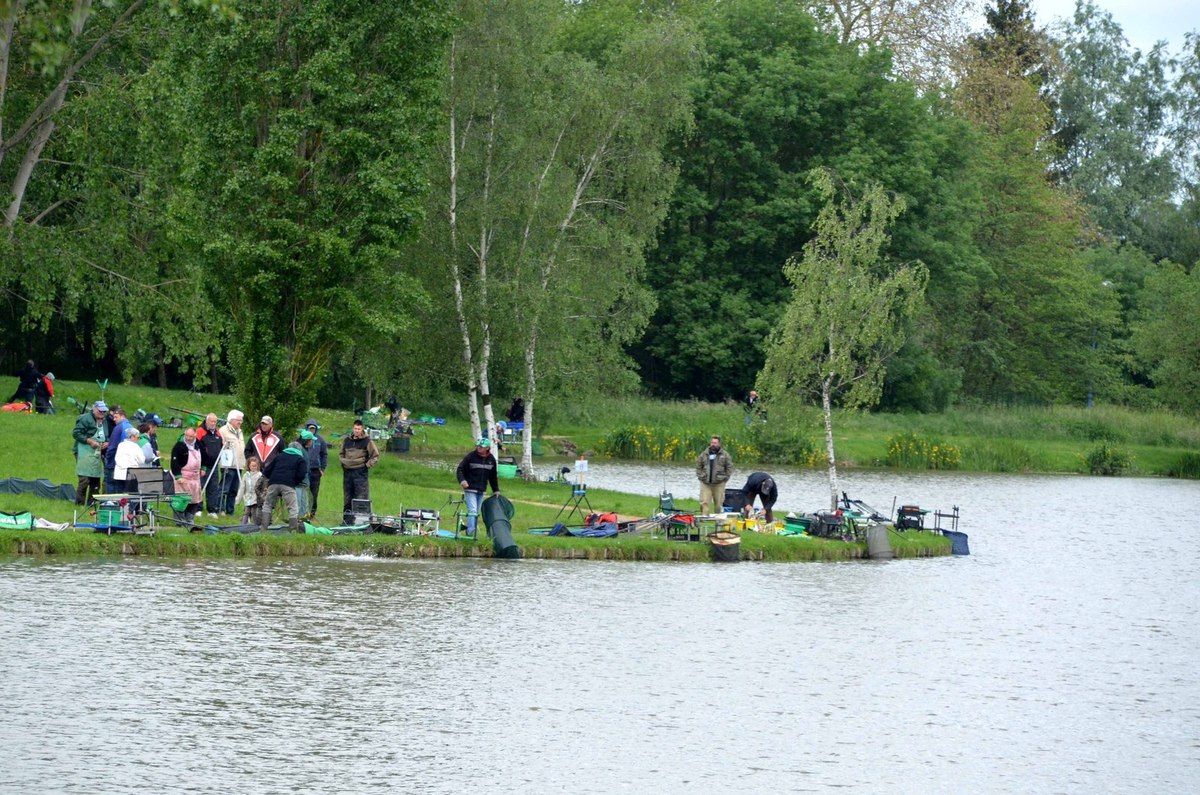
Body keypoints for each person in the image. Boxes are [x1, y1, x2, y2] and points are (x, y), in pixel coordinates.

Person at [260, 440, 308, 532]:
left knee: (268, 505)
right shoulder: (300, 459)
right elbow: (302, 474)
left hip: (273, 483)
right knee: (293, 507)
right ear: (299, 449)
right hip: (288, 484)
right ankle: (293, 530)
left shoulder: (279, 456)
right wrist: (295, 482)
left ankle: (263, 529)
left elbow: (266, 471)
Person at [455, 437, 500, 536]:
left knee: (476, 512)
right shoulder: (470, 456)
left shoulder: (491, 459)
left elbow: (493, 476)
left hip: (481, 489)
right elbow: (460, 469)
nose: (479, 448)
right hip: (470, 488)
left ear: (487, 448)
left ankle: (469, 530)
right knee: (473, 510)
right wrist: (462, 480)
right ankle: (470, 533)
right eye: (478, 446)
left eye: (481, 447)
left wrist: (496, 490)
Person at [339, 419, 379, 523]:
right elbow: (341, 453)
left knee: (361, 497)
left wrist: (367, 466)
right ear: (353, 428)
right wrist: (343, 463)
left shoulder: (367, 441)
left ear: (362, 429)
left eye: (359, 429)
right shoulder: (346, 440)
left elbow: (375, 455)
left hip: (360, 473)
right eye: (355, 428)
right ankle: (347, 521)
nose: (357, 430)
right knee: (348, 497)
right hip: (347, 473)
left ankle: (361, 521)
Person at [72, 400, 108, 505]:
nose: (102, 413)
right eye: (100, 411)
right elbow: (76, 433)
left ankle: (92, 504)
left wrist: (107, 442)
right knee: (84, 478)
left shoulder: (104, 421)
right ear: (94, 409)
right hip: (83, 451)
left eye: (103, 411)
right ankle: (79, 503)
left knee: (95, 479)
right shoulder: (85, 419)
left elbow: (107, 435)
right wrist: (89, 441)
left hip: (97, 453)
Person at [171, 427, 203, 524]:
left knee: (194, 499)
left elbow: (205, 456)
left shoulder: (198, 445)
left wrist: (203, 468)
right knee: (181, 498)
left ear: (195, 435)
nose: (188, 438)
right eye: (187, 436)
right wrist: (178, 476)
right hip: (183, 476)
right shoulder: (179, 446)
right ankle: (179, 520)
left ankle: (189, 519)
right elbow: (174, 462)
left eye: (191, 436)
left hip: (195, 477)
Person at [217, 410, 246, 516]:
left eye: (241, 420)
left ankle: (230, 510)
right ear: (232, 420)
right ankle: (220, 508)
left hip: (239, 464)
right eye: (239, 420)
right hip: (228, 464)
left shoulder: (239, 431)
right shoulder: (223, 430)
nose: (240, 422)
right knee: (224, 487)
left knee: (234, 489)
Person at [695, 435, 733, 515]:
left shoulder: (725, 455)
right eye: (712, 442)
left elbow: (729, 467)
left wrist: (725, 478)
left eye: (715, 443)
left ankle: (718, 519)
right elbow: (698, 466)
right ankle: (704, 518)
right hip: (706, 483)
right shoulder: (704, 454)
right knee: (704, 502)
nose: (713, 444)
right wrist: (700, 476)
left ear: (719, 444)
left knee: (719, 504)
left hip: (719, 484)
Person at [196, 413, 225, 516]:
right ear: (206, 421)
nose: (213, 423)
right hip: (202, 465)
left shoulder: (218, 433)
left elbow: (222, 446)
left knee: (213, 488)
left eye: (215, 422)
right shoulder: (200, 431)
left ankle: (211, 510)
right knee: (200, 486)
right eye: (211, 421)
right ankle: (198, 508)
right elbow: (196, 447)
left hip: (214, 465)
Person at [302, 418, 328, 517]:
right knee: (304, 491)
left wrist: (322, 468)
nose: (311, 430)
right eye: (310, 428)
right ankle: (303, 512)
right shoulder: (302, 439)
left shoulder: (320, 440)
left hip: (315, 470)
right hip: (304, 470)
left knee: (314, 492)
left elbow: (324, 454)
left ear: (316, 429)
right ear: (307, 428)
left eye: (313, 428)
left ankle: (312, 513)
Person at [102, 406, 131, 494]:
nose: (114, 419)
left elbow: (112, 446)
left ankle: (110, 505)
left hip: (114, 462)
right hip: (127, 463)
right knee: (122, 488)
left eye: (116, 417)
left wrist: (107, 460)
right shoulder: (130, 427)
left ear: (122, 416)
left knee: (111, 485)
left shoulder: (118, 428)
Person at [112, 427, 147, 493]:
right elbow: (142, 460)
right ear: (132, 437)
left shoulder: (120, 445)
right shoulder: (135, 446)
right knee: (130, 495)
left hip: (119, 474)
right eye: (138, 437)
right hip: (131, 474)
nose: (138, 439)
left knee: (120, 496)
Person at [238, 457, 263, 526]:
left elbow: (262, 488)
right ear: (249, 466)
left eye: (255, 466)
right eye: (252, 466)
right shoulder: (246, 475)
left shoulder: (260, 475)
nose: (254, 467)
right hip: (248, 498)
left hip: (256, 499)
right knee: (246, 512)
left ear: (258, 466)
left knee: (254, 513)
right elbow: (242, 488)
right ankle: (242, 526)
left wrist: (261, 498)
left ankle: (256, 527)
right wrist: (238, 500)